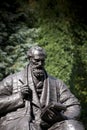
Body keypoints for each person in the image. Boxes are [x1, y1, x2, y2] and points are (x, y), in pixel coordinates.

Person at [0, 46, 84, 130]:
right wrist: (19, 96)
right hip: (21, 123)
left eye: (42, 61)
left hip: (50, 125)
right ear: (29, 59)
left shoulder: (56, 83)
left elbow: (74, 105)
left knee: (72, 127)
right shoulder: (12, 80)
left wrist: (63, 117)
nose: (40, 64)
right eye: (36, 60)